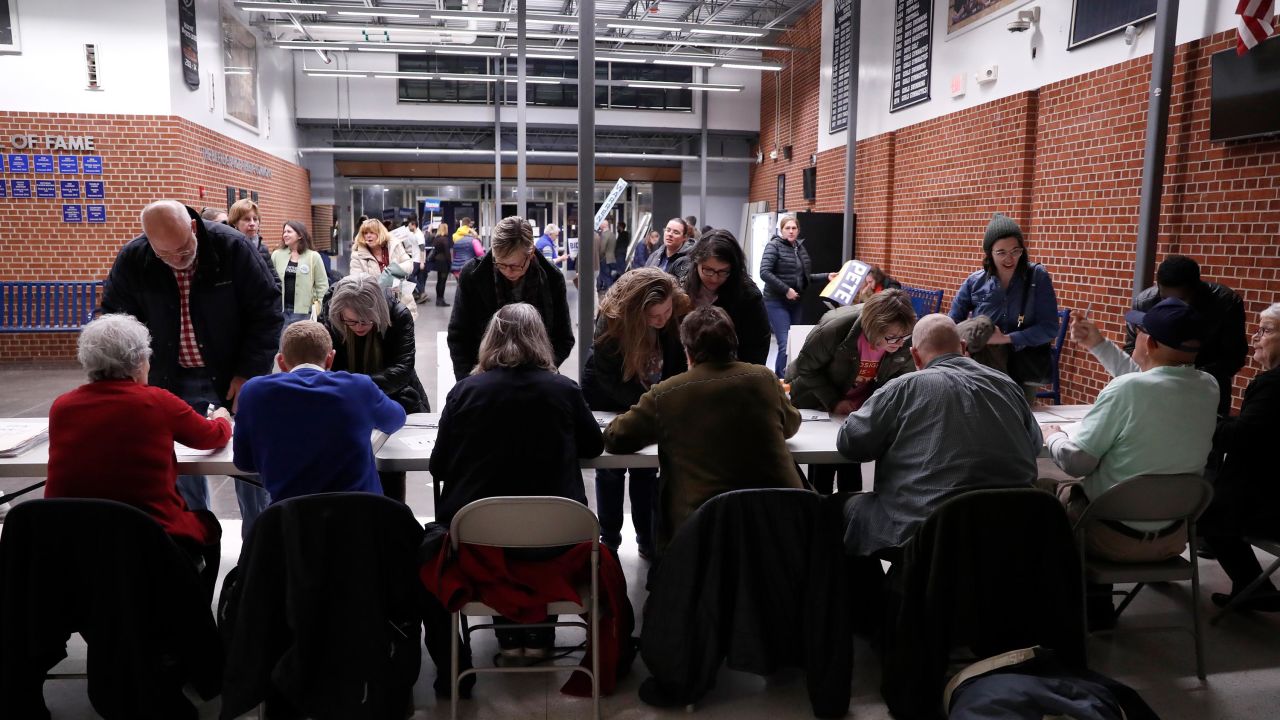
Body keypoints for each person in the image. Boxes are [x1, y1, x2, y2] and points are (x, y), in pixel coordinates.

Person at [101, 200, 279, 539]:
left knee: (250, 462)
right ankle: (197, 538)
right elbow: (116, 320)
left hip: (233, 375)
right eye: (165, 256)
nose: (178, 262)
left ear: (194, 228)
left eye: (183, 251)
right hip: (167, 378)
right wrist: (132, 380)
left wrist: (249, 373)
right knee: (180, 465)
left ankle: (258, 544)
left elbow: (266, 314)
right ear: (150, 243)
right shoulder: (135, 259)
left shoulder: (232, 248)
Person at [835, 314, 1042, 557]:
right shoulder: (1006, 385)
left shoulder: (902, 388)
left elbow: (850, 443)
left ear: (914, 356)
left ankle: (875, 592)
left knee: (838, 509)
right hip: (1010, 536)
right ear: (963, 348)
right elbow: (1035, 445)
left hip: (924, 536)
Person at [603, 305, 803, 553]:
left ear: (688, 352)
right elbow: (791, 424)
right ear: (734, 342)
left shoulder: (667, 393)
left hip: (705, 531)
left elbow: (615, 437)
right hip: (781, 526)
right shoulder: (764, 378)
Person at [45, 313, 233, 574]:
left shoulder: (62, 407)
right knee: (208, 525)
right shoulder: (158, 401)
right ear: (139, 361)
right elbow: (212, 437)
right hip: (150, 537)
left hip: (73, 540)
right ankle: (194, 608)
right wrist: (223, 417)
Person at [1045, 298, 1219, 564]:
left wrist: (1054, 436)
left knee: (1044, 490)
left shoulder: (1128, 390)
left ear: (1150, 343)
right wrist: (1098, 344)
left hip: (1109, 538)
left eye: (1139, 332)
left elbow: (1077, 462)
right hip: (1172, 538)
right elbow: (1155, 381)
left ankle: (1083, 600)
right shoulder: (1209, 387)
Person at [582, 268, 692, 558]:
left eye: (666, 312)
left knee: (646, 471)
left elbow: (678, 363)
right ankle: (610, 540)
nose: (662, 320)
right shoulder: (611, 320)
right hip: (610, 399)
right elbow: (607, 377)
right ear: (633, 311)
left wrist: (664, 400)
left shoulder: (676, 312)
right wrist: (648, 405)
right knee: (610, 470)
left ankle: (647, 537)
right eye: (653, 316)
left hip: (654, 398)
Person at [232, 321, 406, 503]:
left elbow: (244, 462)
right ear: (330, 359)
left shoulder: (253, 392)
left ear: (281, 362)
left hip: (291, 523)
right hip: (360, 521)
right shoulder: (358, 387)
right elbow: (396, 419)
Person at [786, 289, 918, 494]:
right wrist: (833, 401)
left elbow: (900, 380)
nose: (899, 343)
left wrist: (876, 408)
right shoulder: (836, 327)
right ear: (874, 328)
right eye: (892, 337)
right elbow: (806, 368)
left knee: (852, 460)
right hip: (819, 398)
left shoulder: (902, 339)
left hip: (858, 408)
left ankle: (848, 511)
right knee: (823, 467)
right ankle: (820, 510)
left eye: (904, 336)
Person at [318, 276, 430, 502]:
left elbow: (402, 370)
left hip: (394, 398)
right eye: (351, 322)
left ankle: (392, 522)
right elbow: (324, 368)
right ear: (339, 315)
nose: (359, 327)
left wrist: (354, 388)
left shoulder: (398, 314)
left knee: (391, 472)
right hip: (347, 408)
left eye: (367, 321)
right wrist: (357, 390)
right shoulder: (330, 319)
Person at [1199, 303, 1280, 611]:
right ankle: (1250, 587)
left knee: (1206, 511)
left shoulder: (1273, 384)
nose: (1256, 337)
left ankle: (1252, 587)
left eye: (1266, 330)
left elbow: (1241, 438)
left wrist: (1201, 418)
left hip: (1270, 504)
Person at [949, 213, 1060, 402]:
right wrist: (962, 346)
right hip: (983, 365)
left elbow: (1050, 327)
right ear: (989, 253)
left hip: (1024, 365)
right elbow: (951, 323)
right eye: (1001, 252)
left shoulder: (1037, 277)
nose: (1010, 259)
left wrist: (1008, 338)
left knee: (1019, 419)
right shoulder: (975, 282)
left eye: (1015, 251)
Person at [447, 216, 574, 381]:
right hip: (483, 379)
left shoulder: (552, 278)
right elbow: (459, 335)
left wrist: (542, 373)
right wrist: (468, 382)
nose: (508, 271)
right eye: (500, 264)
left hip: (536, 380)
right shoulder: (472, 276)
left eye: (515, 265)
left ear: (531, 254)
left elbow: (563, 337)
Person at [1124, 255, 1247, 417]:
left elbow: (1234, 356)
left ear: (1196, 288)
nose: (1171, 305)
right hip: (1154, 389)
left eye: (1180, 299)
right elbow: (1131, 349)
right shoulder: (1145, 302)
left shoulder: (1226, 303)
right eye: (1165, 298)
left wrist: (1187, 376)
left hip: (1205, 390)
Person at [759, 213, 840, 377]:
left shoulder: (800, 248)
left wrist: (826, 276)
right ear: (781, 230)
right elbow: (764, 272)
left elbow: (805, 278)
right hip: (776, 301)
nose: (791, 231)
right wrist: (786, 290)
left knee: (793, 343)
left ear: (798, 230)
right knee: (784, 343)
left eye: (794, 228)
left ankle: (787, 378)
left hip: (796, 302)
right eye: (787, 228)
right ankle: (780, 379)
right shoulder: (773, 246)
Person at [682, 230, 771, 366]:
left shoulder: (748, 297)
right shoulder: (682, 285)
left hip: (731, 375)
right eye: (708, 270)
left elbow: (757, 347)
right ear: (696, 264)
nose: (714, 278)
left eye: (723, 271)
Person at [350, 217, 417, 317]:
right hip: (375, 306)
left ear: (380, 233)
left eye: (372, 232)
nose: (368, 236)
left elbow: (408, 264)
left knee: (405, 330)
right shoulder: (357, 255)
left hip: (402, 300)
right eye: (365, 233)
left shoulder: (394, 245)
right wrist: (383, 283)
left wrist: (391, 271)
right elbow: (357, 282)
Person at [272, 220, 328, 326]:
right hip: (281, 312)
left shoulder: (313, 256)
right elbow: (271, 282)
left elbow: (322, 286)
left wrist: (319, 309)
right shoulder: (276, 255)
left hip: (305, 313)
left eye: (289, 232)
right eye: (284, 232)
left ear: (300, 235)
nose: (285, 235)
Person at [228, 198, 272, 269]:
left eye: (255, 219)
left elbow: (273, 276)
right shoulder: (228, 247)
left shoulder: (263, 248)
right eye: (246, 219)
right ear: (235, 223)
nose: (252, 223)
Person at [429, 222, 453, 306]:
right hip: (444, 263)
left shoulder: (437, 239)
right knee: (443, 281)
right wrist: (450, 262)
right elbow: (447, 253)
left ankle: (438, 299)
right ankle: (441, 300)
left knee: (439, 281)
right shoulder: (445, 239)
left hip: (437, 262)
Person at [599, 218, 620, 293]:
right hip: (612, 258)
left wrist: (599, 257)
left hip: (605, 259)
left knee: (606, 276)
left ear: (603, 225)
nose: (599, 225)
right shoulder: (612, 234)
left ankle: (610, 293)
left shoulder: (604, 235)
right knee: (609, 276)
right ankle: (612, 291)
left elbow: (602, 248)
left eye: (600, 224)